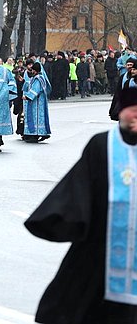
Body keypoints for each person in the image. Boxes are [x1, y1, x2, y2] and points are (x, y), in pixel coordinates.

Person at [23, 78, 137, 323]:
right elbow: (79, 187)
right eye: (131, 109)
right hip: (102, 245)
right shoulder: (103, 145)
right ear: (121, 111)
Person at [22, 62, 52, 143]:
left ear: (35, 70)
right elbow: (30, 85)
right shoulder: (38, 77)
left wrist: (27, 96)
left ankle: (35, 134)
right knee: (37, 117)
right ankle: (40, 133)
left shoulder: (38, 78)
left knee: (35, 117)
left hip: (37, 102)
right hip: (39, 101)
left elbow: (35, 89)